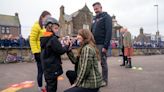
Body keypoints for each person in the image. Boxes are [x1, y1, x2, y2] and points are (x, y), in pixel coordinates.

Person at [40, 16, 70, 92]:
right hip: (52, 68)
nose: (57, 30)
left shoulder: (44, 37)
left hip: (47, 68)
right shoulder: (52, 39)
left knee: (49, 84)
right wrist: (67, 45)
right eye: (56, 28)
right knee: (52, 87)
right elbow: (61, 51)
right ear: (49, 27)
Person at [91, 2, 112, 86]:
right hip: (93, 44)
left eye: (97, 8)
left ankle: (104, 81)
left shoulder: (106, 17)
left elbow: (109, 32)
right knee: (93, 62)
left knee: (103, 63)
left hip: (101, 44)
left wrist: (105, 46)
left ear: (101, 7)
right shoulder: (94, 19)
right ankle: (96, 78)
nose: (95, 11)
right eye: (94, 9)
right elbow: (91, 31)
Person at [29, 11, 51, 92]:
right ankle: (39, 88)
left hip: (46, 52)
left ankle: (46, 87)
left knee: (47, 71)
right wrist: (35, 52)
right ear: (42, 17)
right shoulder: (36, 26)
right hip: (39, 52)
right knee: (40, 71)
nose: (49, 19)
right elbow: (32, 40)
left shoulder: (46, 27)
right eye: (47, 17)